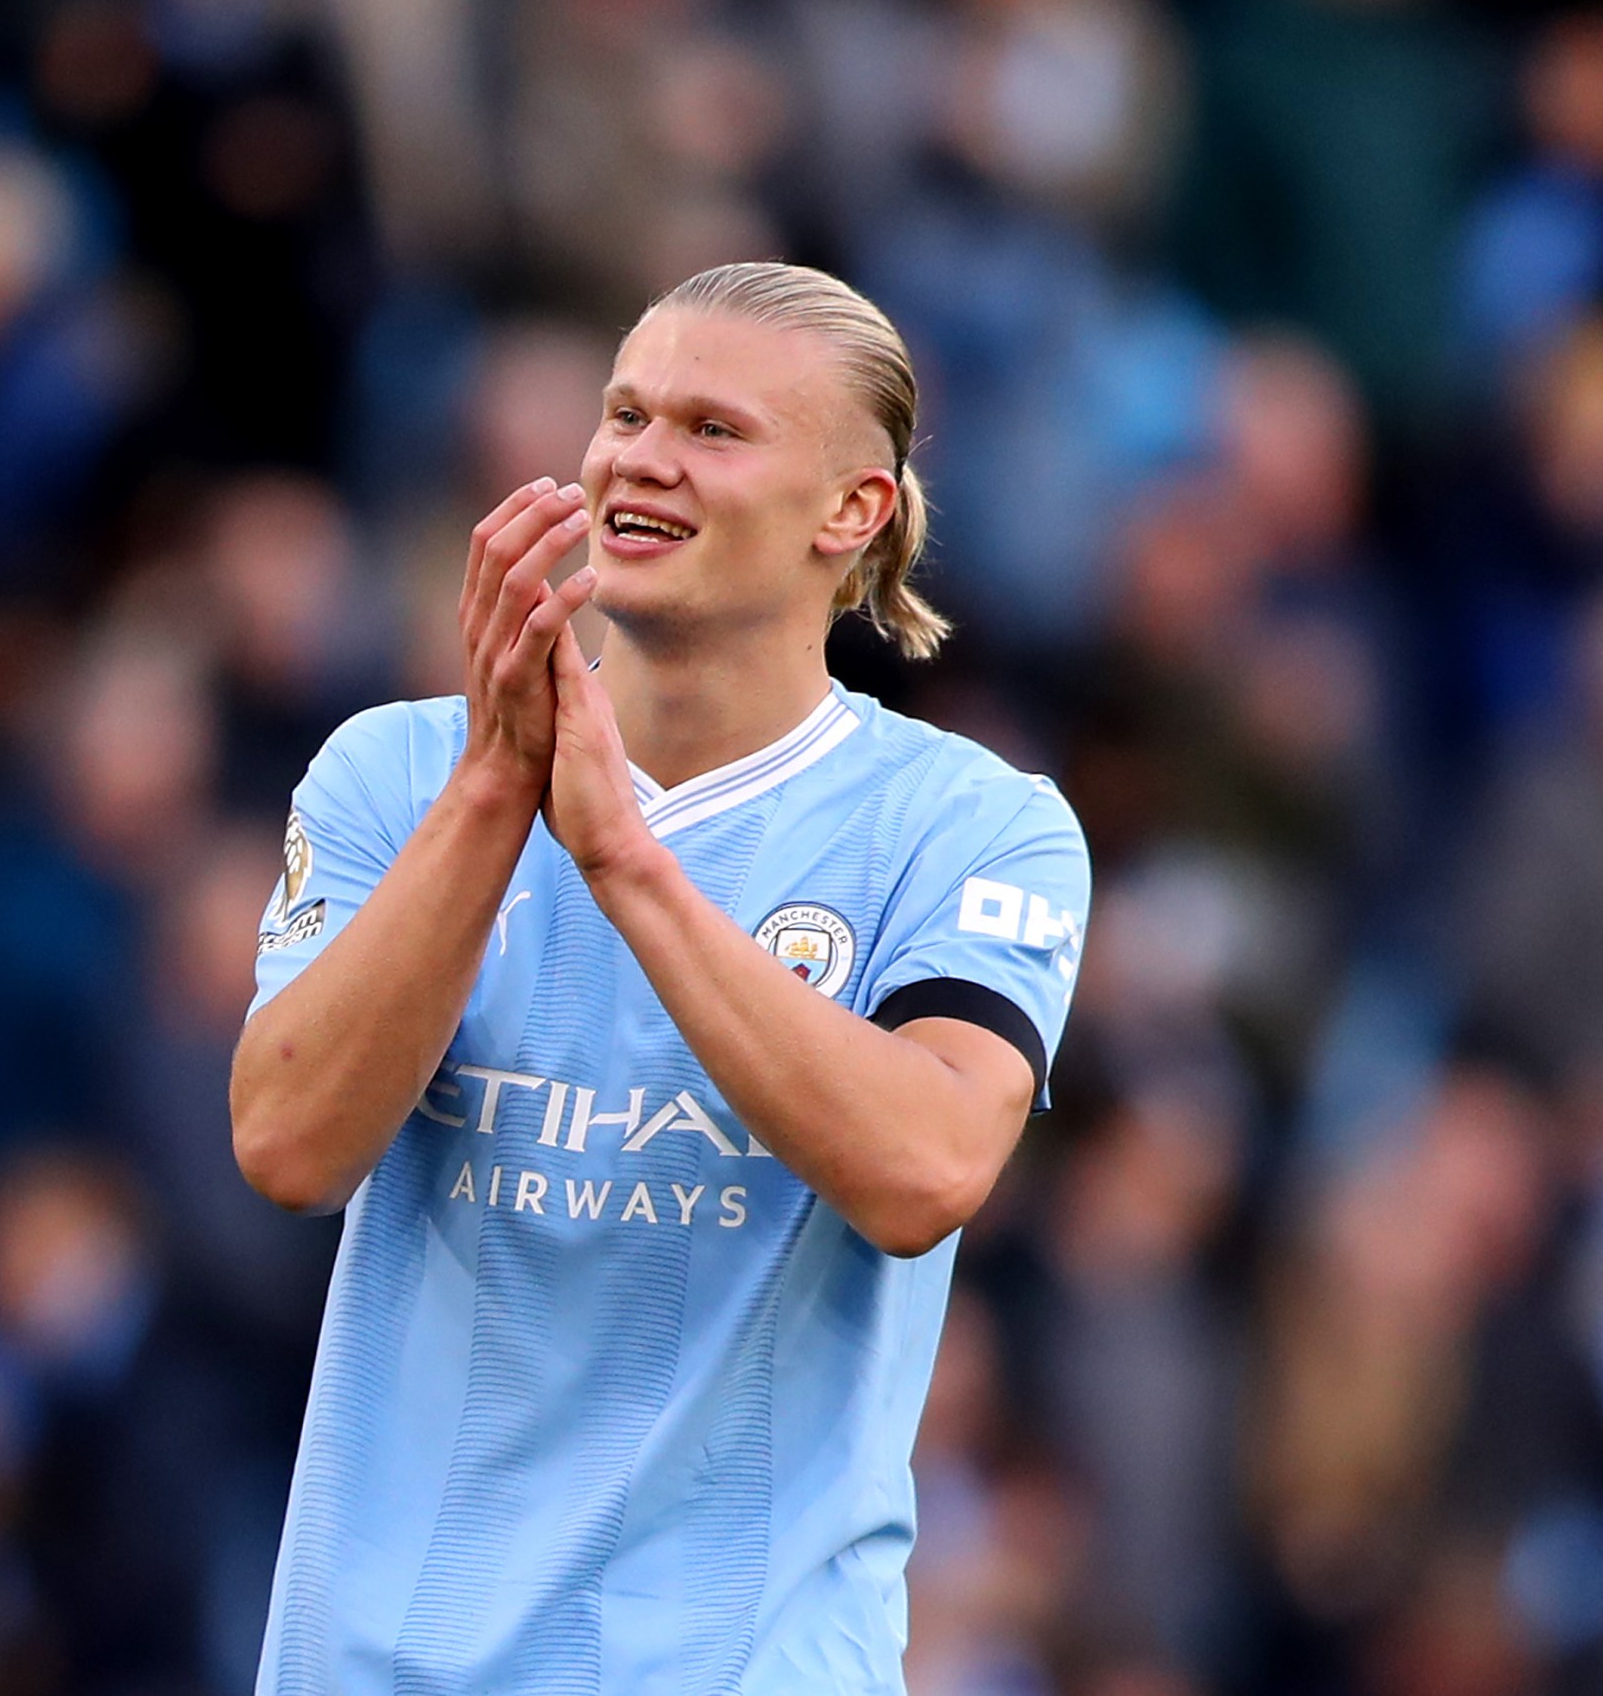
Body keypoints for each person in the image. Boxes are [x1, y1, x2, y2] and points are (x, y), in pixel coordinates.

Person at [229, 262, 1090, 1693]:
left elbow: (926, 1164)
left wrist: (629, 866)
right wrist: (499, 789)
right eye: (625, 412)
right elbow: (288, 1144)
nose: (641, 453)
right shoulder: (398, 773)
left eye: (712, 428)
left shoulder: (970, 824)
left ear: (851, 512)